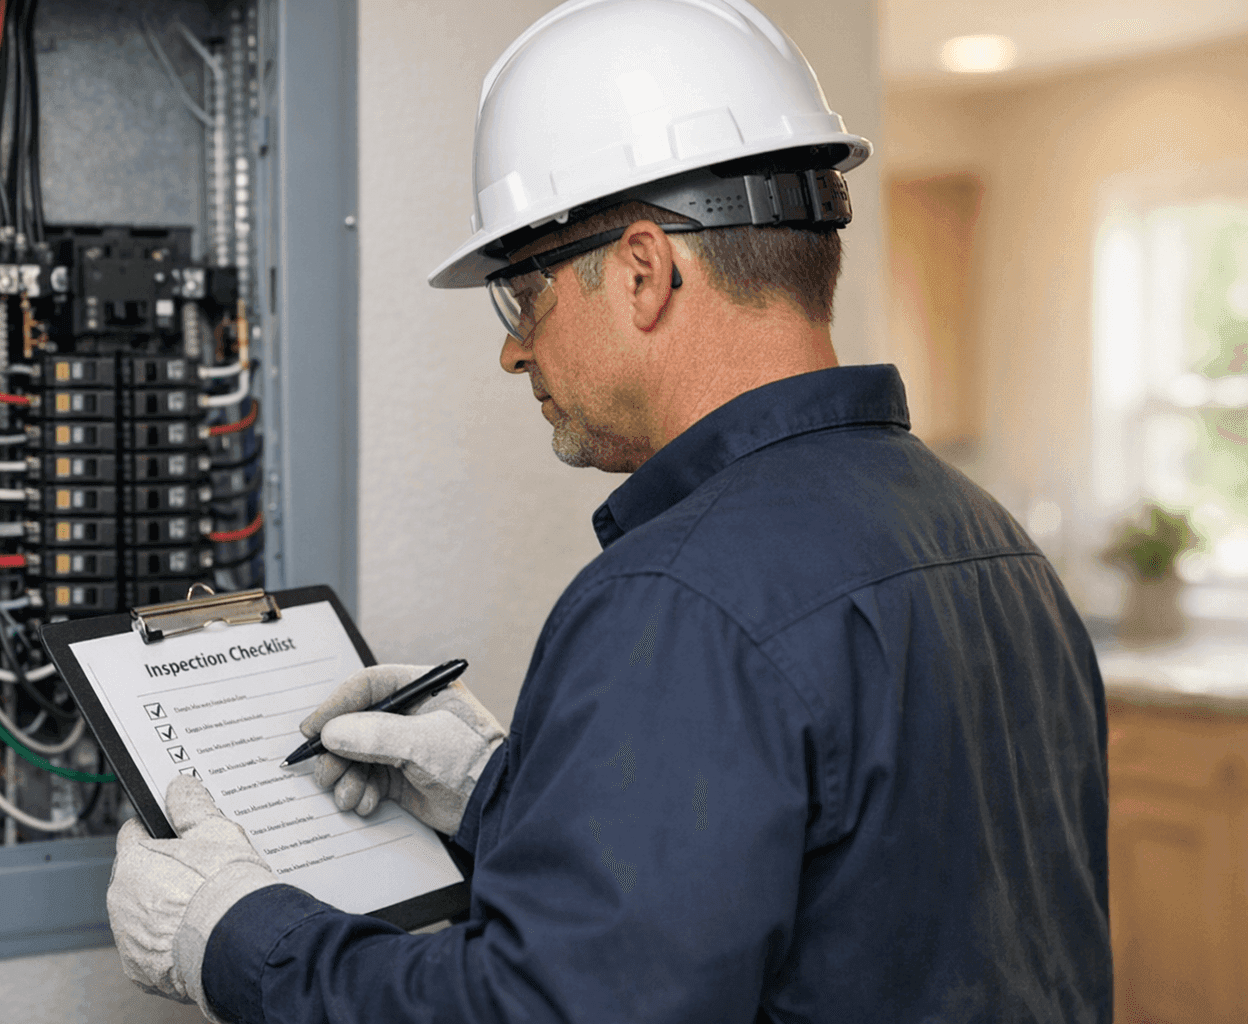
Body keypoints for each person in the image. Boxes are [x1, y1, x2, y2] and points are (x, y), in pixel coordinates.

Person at [104, 1, 1113, 1021]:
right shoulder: (991, 543)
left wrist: (230, 932)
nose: (513, 350)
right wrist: (498, 793)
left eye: (523, 296)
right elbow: (841, 893)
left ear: (644, 271)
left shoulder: (679, 599)